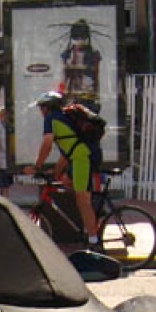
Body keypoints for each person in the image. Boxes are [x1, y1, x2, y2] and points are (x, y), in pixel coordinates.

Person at [24, 90, 99, 247]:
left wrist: (37, 166)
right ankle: (93, 209)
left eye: (41, 108)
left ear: (47, 108)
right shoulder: (64, 119)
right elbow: (68, 152)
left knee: (82, 200)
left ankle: (94, 240)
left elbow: (47, 144)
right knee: (65, 181)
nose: (41, 112)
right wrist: (56, 171)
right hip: (78, 157)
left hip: (82, 159)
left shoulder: (51, 119)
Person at [0, 106, 11, 197]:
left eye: (5, 114)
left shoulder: (10, 125)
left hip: (8, 158)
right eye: (2, 114)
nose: (4, 116)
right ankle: (2, 197)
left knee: (7, 182)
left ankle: (6, 197)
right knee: (1, 181)